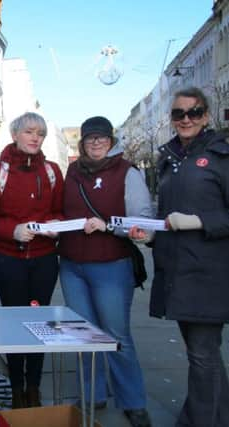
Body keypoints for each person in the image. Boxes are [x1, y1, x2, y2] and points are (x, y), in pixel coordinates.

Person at [57, 116, 152, 427]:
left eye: (101, 138)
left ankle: (133, 401)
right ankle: (93, 394)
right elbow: (61, 210)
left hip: (111, 265)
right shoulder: (72, 171)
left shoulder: (127, 172)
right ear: (82, 143)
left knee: (115, 334)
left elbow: (143, 222)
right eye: (90, 138)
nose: (95, 143)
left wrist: (110, 225)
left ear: (112, 141)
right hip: (72, 264)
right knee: (83, 335)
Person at [146, 87, 229, 427]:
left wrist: (199, 222)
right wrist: (151, 231)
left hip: (209, 272)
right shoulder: (170, 158)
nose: (185, 119)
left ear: (206, 115)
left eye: (193, 112)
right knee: (204, 356)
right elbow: (166, 214)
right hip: (177, 270)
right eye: (178, 114)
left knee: (202, 356)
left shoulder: (222, 156)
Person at [0, 112, 64, 408]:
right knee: (13, 322)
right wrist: (12, 230)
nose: (35, 137)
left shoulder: (51, 171)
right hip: (9, 261)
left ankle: (34, 387)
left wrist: (53, 226)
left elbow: (62, 212)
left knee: (38, 321)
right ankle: (16, 387)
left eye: (40, 133)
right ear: (15, 135)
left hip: (44, 261)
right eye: (29, 131)